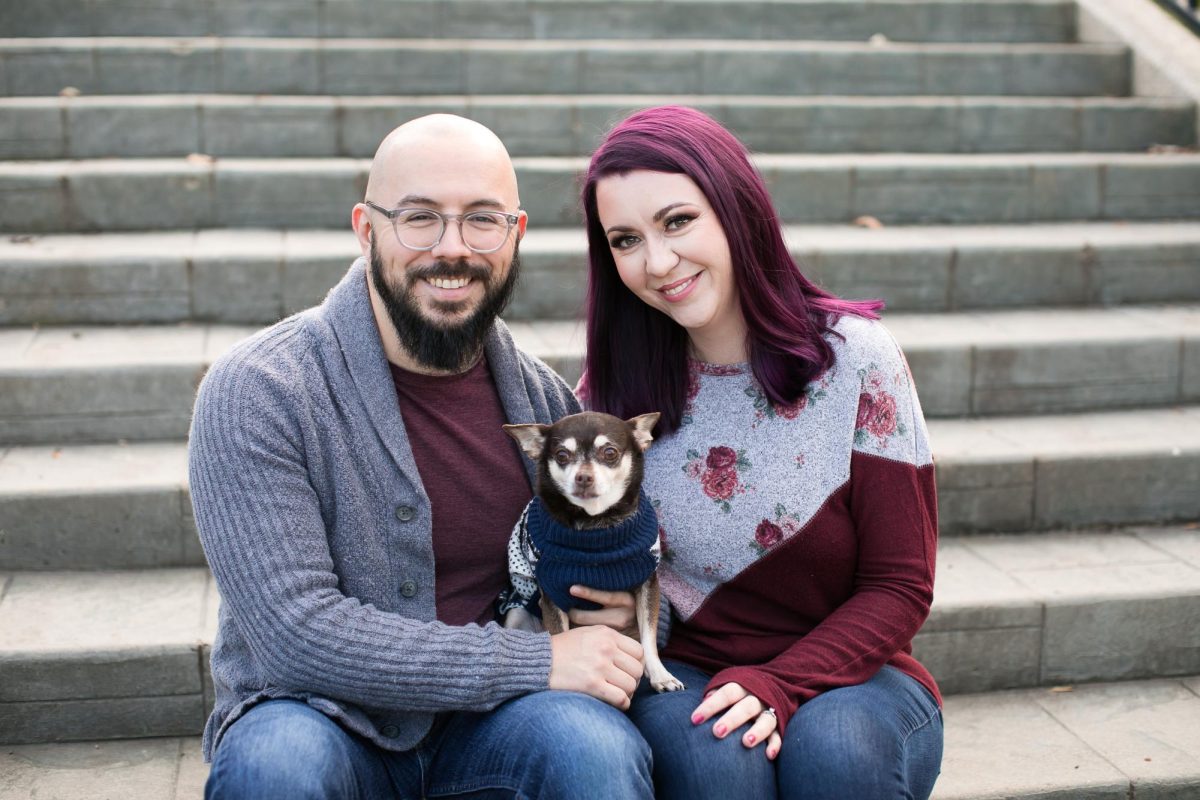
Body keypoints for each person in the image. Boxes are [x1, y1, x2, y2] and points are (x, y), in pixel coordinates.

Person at [189, 114, 653, 799]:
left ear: (515, 235)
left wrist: (622, 615)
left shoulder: (546, 406)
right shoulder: (259, 390)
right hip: (319, 717)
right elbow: (299, 634)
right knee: (274, 765)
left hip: (492, 730)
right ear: (366, 227)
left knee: (593, 749)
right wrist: (535, 660)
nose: (453, 248)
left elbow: (624, 574)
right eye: (420, 218)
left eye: (482, 220)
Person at [578, 105, 944, 799]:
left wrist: (780, 682)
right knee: (716, 757)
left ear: (735, 208)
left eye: (678, 221)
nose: (657, 262)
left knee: (835, 751)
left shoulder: (856, 360)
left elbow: (901, 586)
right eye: (626, 239)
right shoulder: (611, 396)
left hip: (858, 674)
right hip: (685, 668)